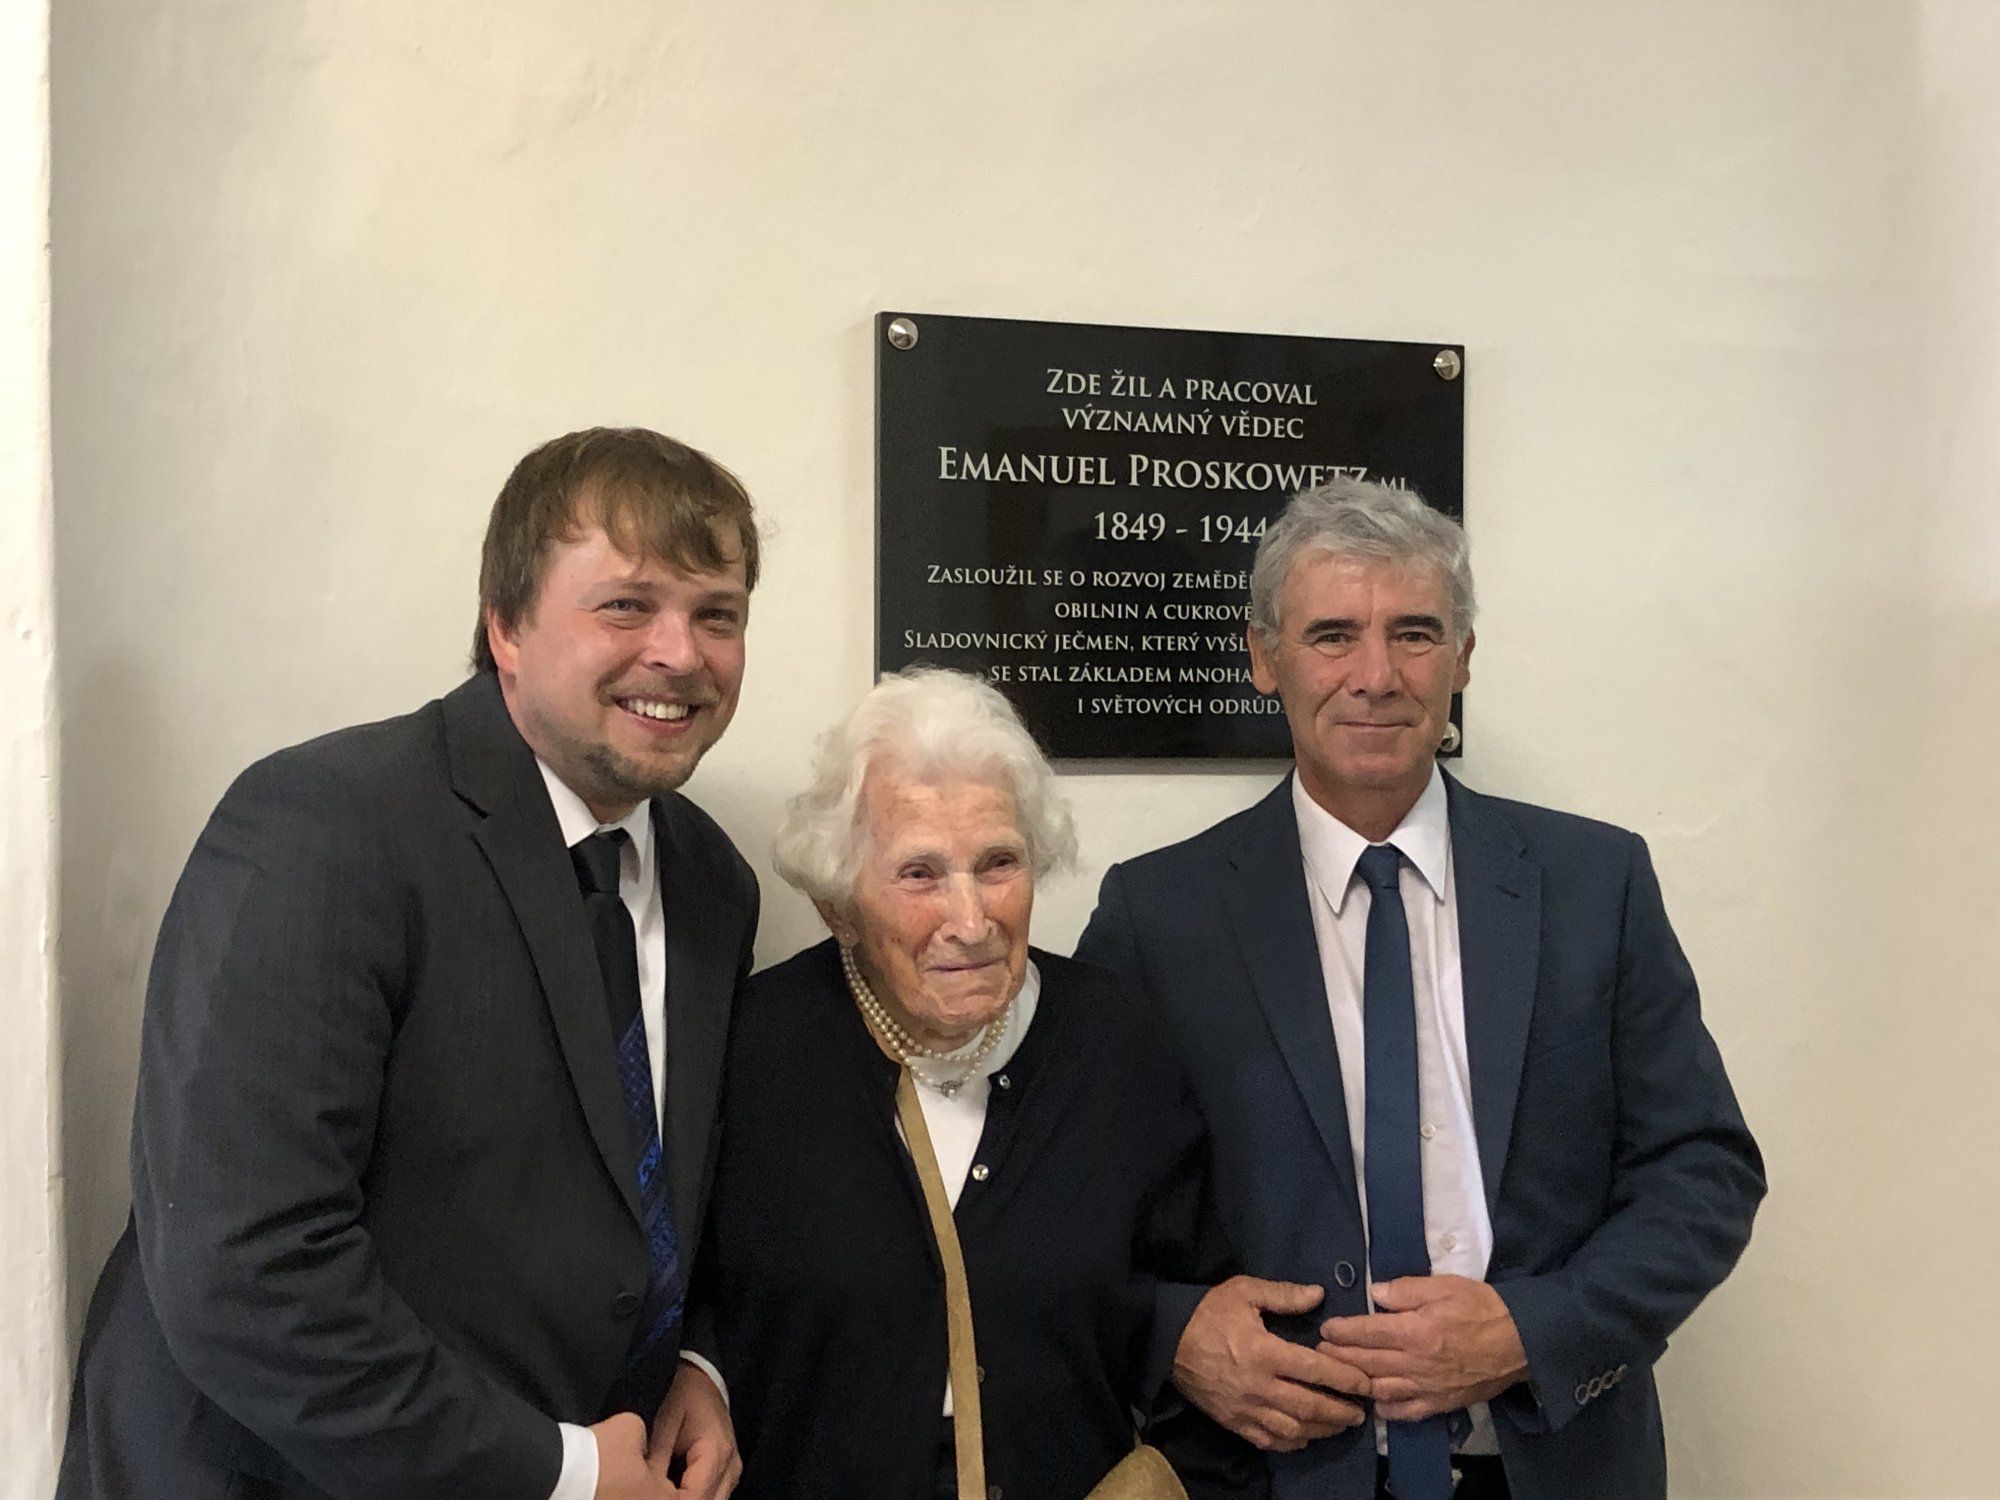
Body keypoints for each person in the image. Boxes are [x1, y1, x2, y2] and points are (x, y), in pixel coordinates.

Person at [58, 427, 763, 1500]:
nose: (680, 652)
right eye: (627, 605)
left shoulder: (713, 880)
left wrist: (695, 1366)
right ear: (505, 625)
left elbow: (657, 1200)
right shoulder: (324, 827)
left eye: (717, 614)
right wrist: (564, 1472)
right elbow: (248, 1271)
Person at [1074, 478, 1765, 1500]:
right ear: (1263, 658)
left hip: (1550, 1465)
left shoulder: (1594, 885)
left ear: (1463, 657)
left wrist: (1533, 1330)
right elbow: (1067, 1205)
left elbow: (1701, 1170)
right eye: (1331, 636)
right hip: (1273, 1475)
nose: (1375, 676)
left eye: (1413, 634)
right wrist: (1172, 1334)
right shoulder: (1159, 917)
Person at [702, 668, 1263, 1500]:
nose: (970, 922)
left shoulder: (1118, 1045)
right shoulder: (755, 1050)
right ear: (838, 904)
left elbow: (1195, 1314)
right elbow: (685, 1305)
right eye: (920, 874)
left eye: (998, 863)